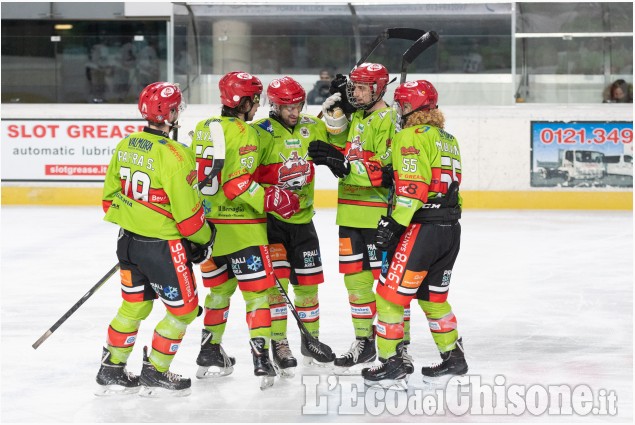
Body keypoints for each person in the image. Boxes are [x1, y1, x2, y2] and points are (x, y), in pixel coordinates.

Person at [96, 82, 215, 397]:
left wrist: (139, 220)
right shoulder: (178, 155)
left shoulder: (126, 145)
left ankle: (111, 370)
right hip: (163, 248)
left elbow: (110, 201)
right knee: (185, 310)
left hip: (127, 243)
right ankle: (156, 372)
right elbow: (190, 222)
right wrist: (207, 238)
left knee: (133, 306)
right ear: (172, 112)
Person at [190, 71, 300, 388]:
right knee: (257, 298)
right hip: (243, 232)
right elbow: (239, 184)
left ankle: (210, 351)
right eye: (255, 99)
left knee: (218, 292)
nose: (257, 106)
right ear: (246, 102)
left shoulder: (203, 128)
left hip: (208, 232)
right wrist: (272, 199)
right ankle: (262, 360)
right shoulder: (246, 133)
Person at [361, 80, 468, 389]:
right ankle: (453, 357)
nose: (397, 110)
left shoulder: (409, 135)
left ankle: (391, 362)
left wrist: (394, 225)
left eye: (400, 105)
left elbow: (413, 189)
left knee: (389, 297)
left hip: (421, 227)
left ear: (409, 108)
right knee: (434, 298)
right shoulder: (447, 138)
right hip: (449, 229)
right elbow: (423, 176)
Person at [309, 62, 401, 374]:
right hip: (348, 213)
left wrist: (347, 167)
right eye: (355, 87)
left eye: (362, 88)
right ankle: (365, 342)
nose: (356, 93)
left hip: (377, 216)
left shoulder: (389, 119)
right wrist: (336, 114)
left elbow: (388, 172)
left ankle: (399, 349)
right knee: (356, 284)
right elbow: (341, 152)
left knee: (389, 288)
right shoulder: (359, 117)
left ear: (379, 89)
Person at [251, 76, 336, 377]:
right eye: (286, 106)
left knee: (308, 288)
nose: (293, 111)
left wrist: (339, 111)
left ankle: (309, 340)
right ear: (273, 104)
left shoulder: (312, 126)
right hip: (272, 224)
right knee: (277, 289)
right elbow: (245, 175)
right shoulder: (258, 133)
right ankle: (280, 342)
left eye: (297, 105)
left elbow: (340, 141)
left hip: (304, 222)